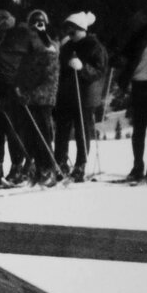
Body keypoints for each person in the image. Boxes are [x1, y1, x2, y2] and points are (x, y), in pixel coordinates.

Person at [0, 0, 36, 184]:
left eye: (4, 17)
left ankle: (17, 167)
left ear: (14, 17)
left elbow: (37, 59)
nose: (0, 21)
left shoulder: (24, 34)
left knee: (14, 130)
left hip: (13, 89)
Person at [53, 12, 107, 182]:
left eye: (72, 29)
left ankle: (80, 164)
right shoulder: (67, 47)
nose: (69, 33)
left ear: (81, 29)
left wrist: (83, 68)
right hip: (66, 95)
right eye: (67, 29)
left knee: (82, 131)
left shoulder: (94, 46)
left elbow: (99, 70)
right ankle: (60, 163)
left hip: (84, 95)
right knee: (62, 131)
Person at [17, 9, 61, 184]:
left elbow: (50, 80)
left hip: (43, 99)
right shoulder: (29, 50)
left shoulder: (49, 49)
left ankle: (48, 168)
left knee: (43, 134)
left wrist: (30, 94)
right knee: (30, 135)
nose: (36, 28)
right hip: (29, 98)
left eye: (40, 24)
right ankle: (35, 168)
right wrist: (20, 89)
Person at [117, 7, 147, 182]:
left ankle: (140, 168)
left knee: (139, 128)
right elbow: (124, 55)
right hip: (139, 84)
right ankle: (138, 166)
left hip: (140, 83)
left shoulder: (140, 34)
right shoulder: (140, 35)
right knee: (139, 128)